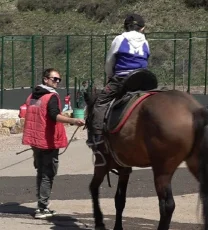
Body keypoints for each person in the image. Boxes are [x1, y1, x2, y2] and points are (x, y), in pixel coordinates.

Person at [22, 68, 85, 219]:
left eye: (58, 80)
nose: (57, 82)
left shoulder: (33, 95)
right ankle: (42, 208)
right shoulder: (51, 96)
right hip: (47, 140)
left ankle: (42, 204)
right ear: (45, 79)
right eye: (54, 79)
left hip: (34, 139)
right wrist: (73, 120)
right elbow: (53, 115)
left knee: (41, 171)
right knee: (48, 173)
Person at [89, 13, 150, 146]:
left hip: (123, 79)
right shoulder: (145, 41)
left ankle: (98, 137)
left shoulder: (120, 38)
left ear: (125, 27)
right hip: (144, 79)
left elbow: (110, 61)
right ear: (142, 28)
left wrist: (110, 76)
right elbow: (145, 59)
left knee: (101, 102)